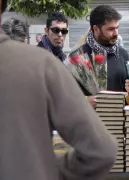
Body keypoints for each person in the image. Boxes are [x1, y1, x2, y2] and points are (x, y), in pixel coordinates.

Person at [0, 0, 117, 180]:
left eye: (64, 31)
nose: (60, 35)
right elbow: (101, 149)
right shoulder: (39, 63)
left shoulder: (62, 59)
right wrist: (46, 170)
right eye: (55, 30)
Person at [74, 5, 129, 92]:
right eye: (111, 29)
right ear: (96, 29)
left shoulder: (123, 54)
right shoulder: (79, 55)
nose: (116, 33)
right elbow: (69, 94)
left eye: (117, 28)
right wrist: (86, 100)